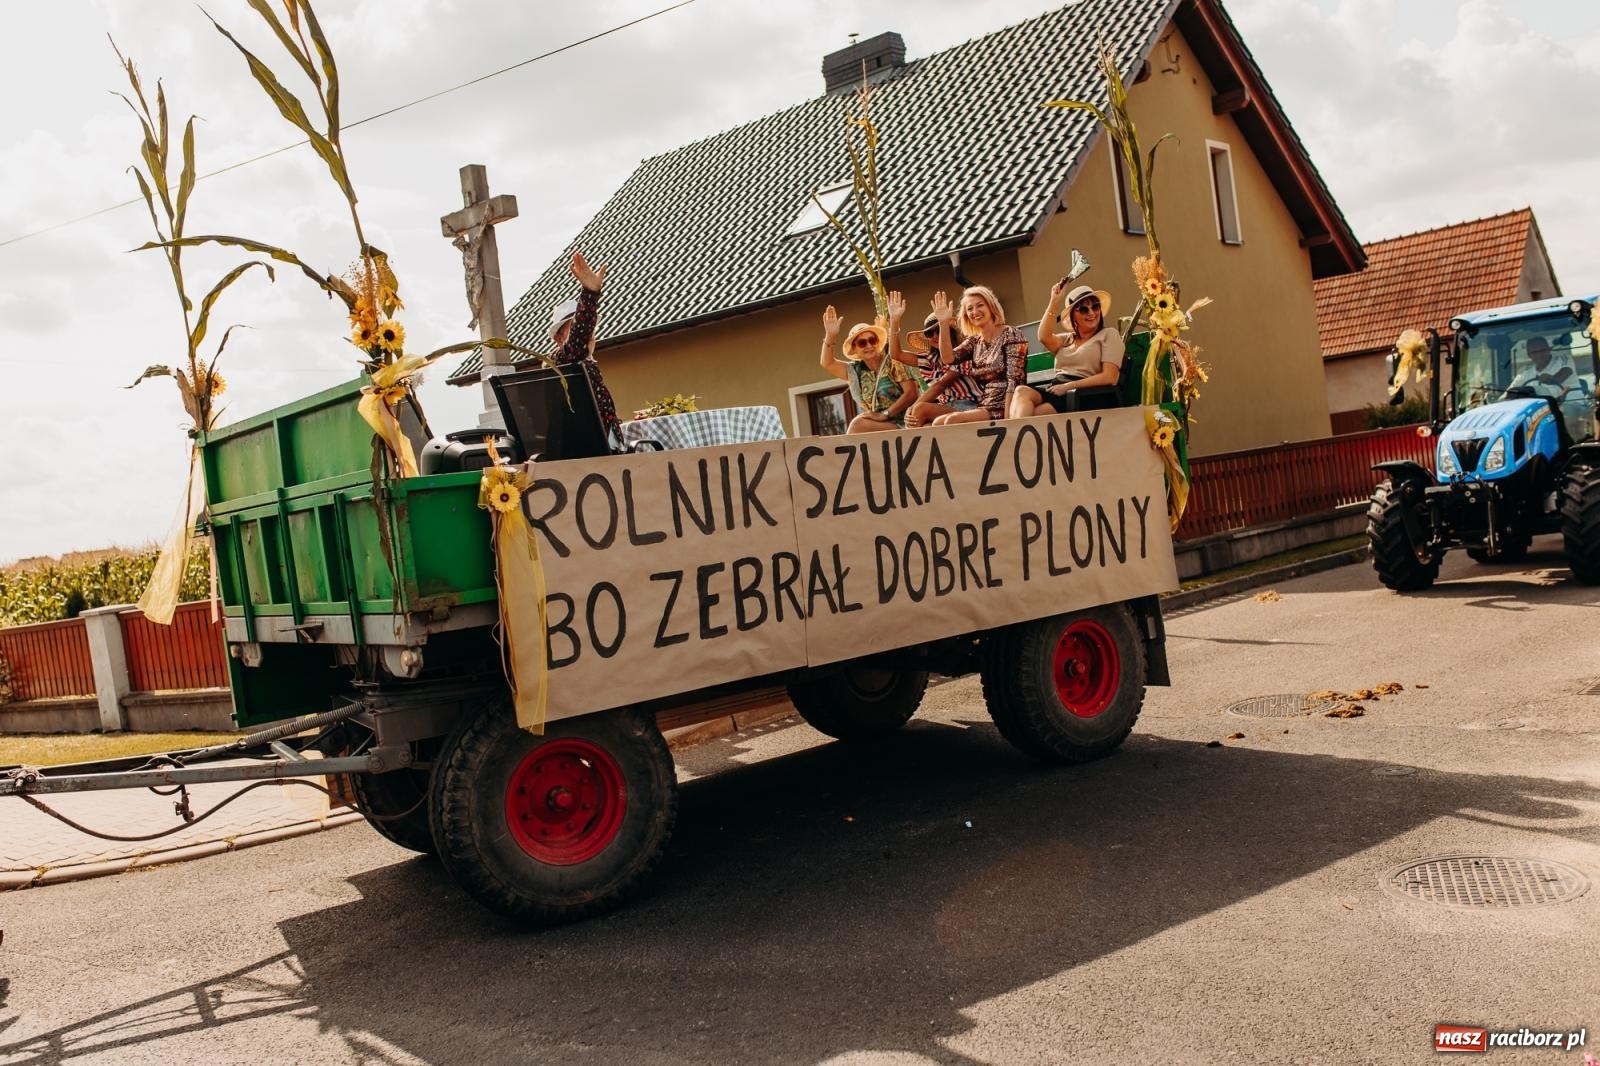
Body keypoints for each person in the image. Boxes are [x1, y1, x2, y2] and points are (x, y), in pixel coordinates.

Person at [1009, 282, 1123, 418]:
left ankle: (1014, 431)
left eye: (1095, 306)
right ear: (1073, 316)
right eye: (1084, 309)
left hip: (1084, 394)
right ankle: (1015, 431)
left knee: (1034, 415)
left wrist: (1069, 386)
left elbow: (1109, 377)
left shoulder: (1108, 334)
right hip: (1057, 390)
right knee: (1021, 391)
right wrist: (1054, 301)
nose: (1092, 313)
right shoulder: (1068, 339)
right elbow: (1043, 337)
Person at [545, 252, 621, 446]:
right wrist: (590, 293)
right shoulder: (560, 361)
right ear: (559, 338)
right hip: (588, 449)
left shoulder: (585, 361)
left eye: (591, 327)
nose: (589, 331)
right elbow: (579, 336)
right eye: (574, 326)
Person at [886, 291, 983, 427]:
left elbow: (940, 385)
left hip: (971, 406)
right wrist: (894, 320)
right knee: (922, 421)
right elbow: (896, 354)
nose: (935, 336)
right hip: (946, 407)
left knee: (920, 410)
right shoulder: (929, 358)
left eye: (939, 330)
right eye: (930, 333)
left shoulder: (963, 352)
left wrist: (912, 407)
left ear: (950, 332)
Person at [820, 305, 915, 432]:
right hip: (882, 426)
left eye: (872, 340)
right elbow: (827, 363)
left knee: (857, 425)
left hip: (907, 422)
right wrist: (830, 335)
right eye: (862, 343)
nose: (869, 345)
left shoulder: (893, 360)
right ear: (855, 349)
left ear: (878, 342)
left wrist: (885, 414)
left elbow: (911, 393)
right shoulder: (855, 371)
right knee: (858, 424)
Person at [1506, 336, 1575, 398]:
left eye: (1542, 350)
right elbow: (1508, 394)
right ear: (1529, 355)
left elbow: (1565, 373)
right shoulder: (1525, 375)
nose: (1539, 354)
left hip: (1572, 403)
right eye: (1534, 352)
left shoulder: (1563, 360)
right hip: (1542, 407)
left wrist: (1552, 379)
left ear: (1549, 349)